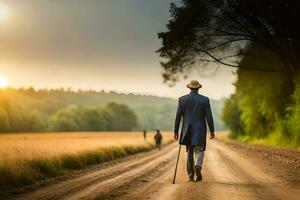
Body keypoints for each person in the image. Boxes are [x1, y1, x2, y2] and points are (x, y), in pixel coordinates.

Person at [174, 80, 215, 182]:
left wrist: (175, 131)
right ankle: (198, 166)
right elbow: (209, 116)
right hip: (200, 129)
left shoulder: (182, 99)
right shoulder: (205, 100)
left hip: (187, 129)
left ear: (189, 88)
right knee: (199, 149)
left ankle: (191, 176)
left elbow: (178, 116)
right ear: (198, 88)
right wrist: (212, 130)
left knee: (190, 151)